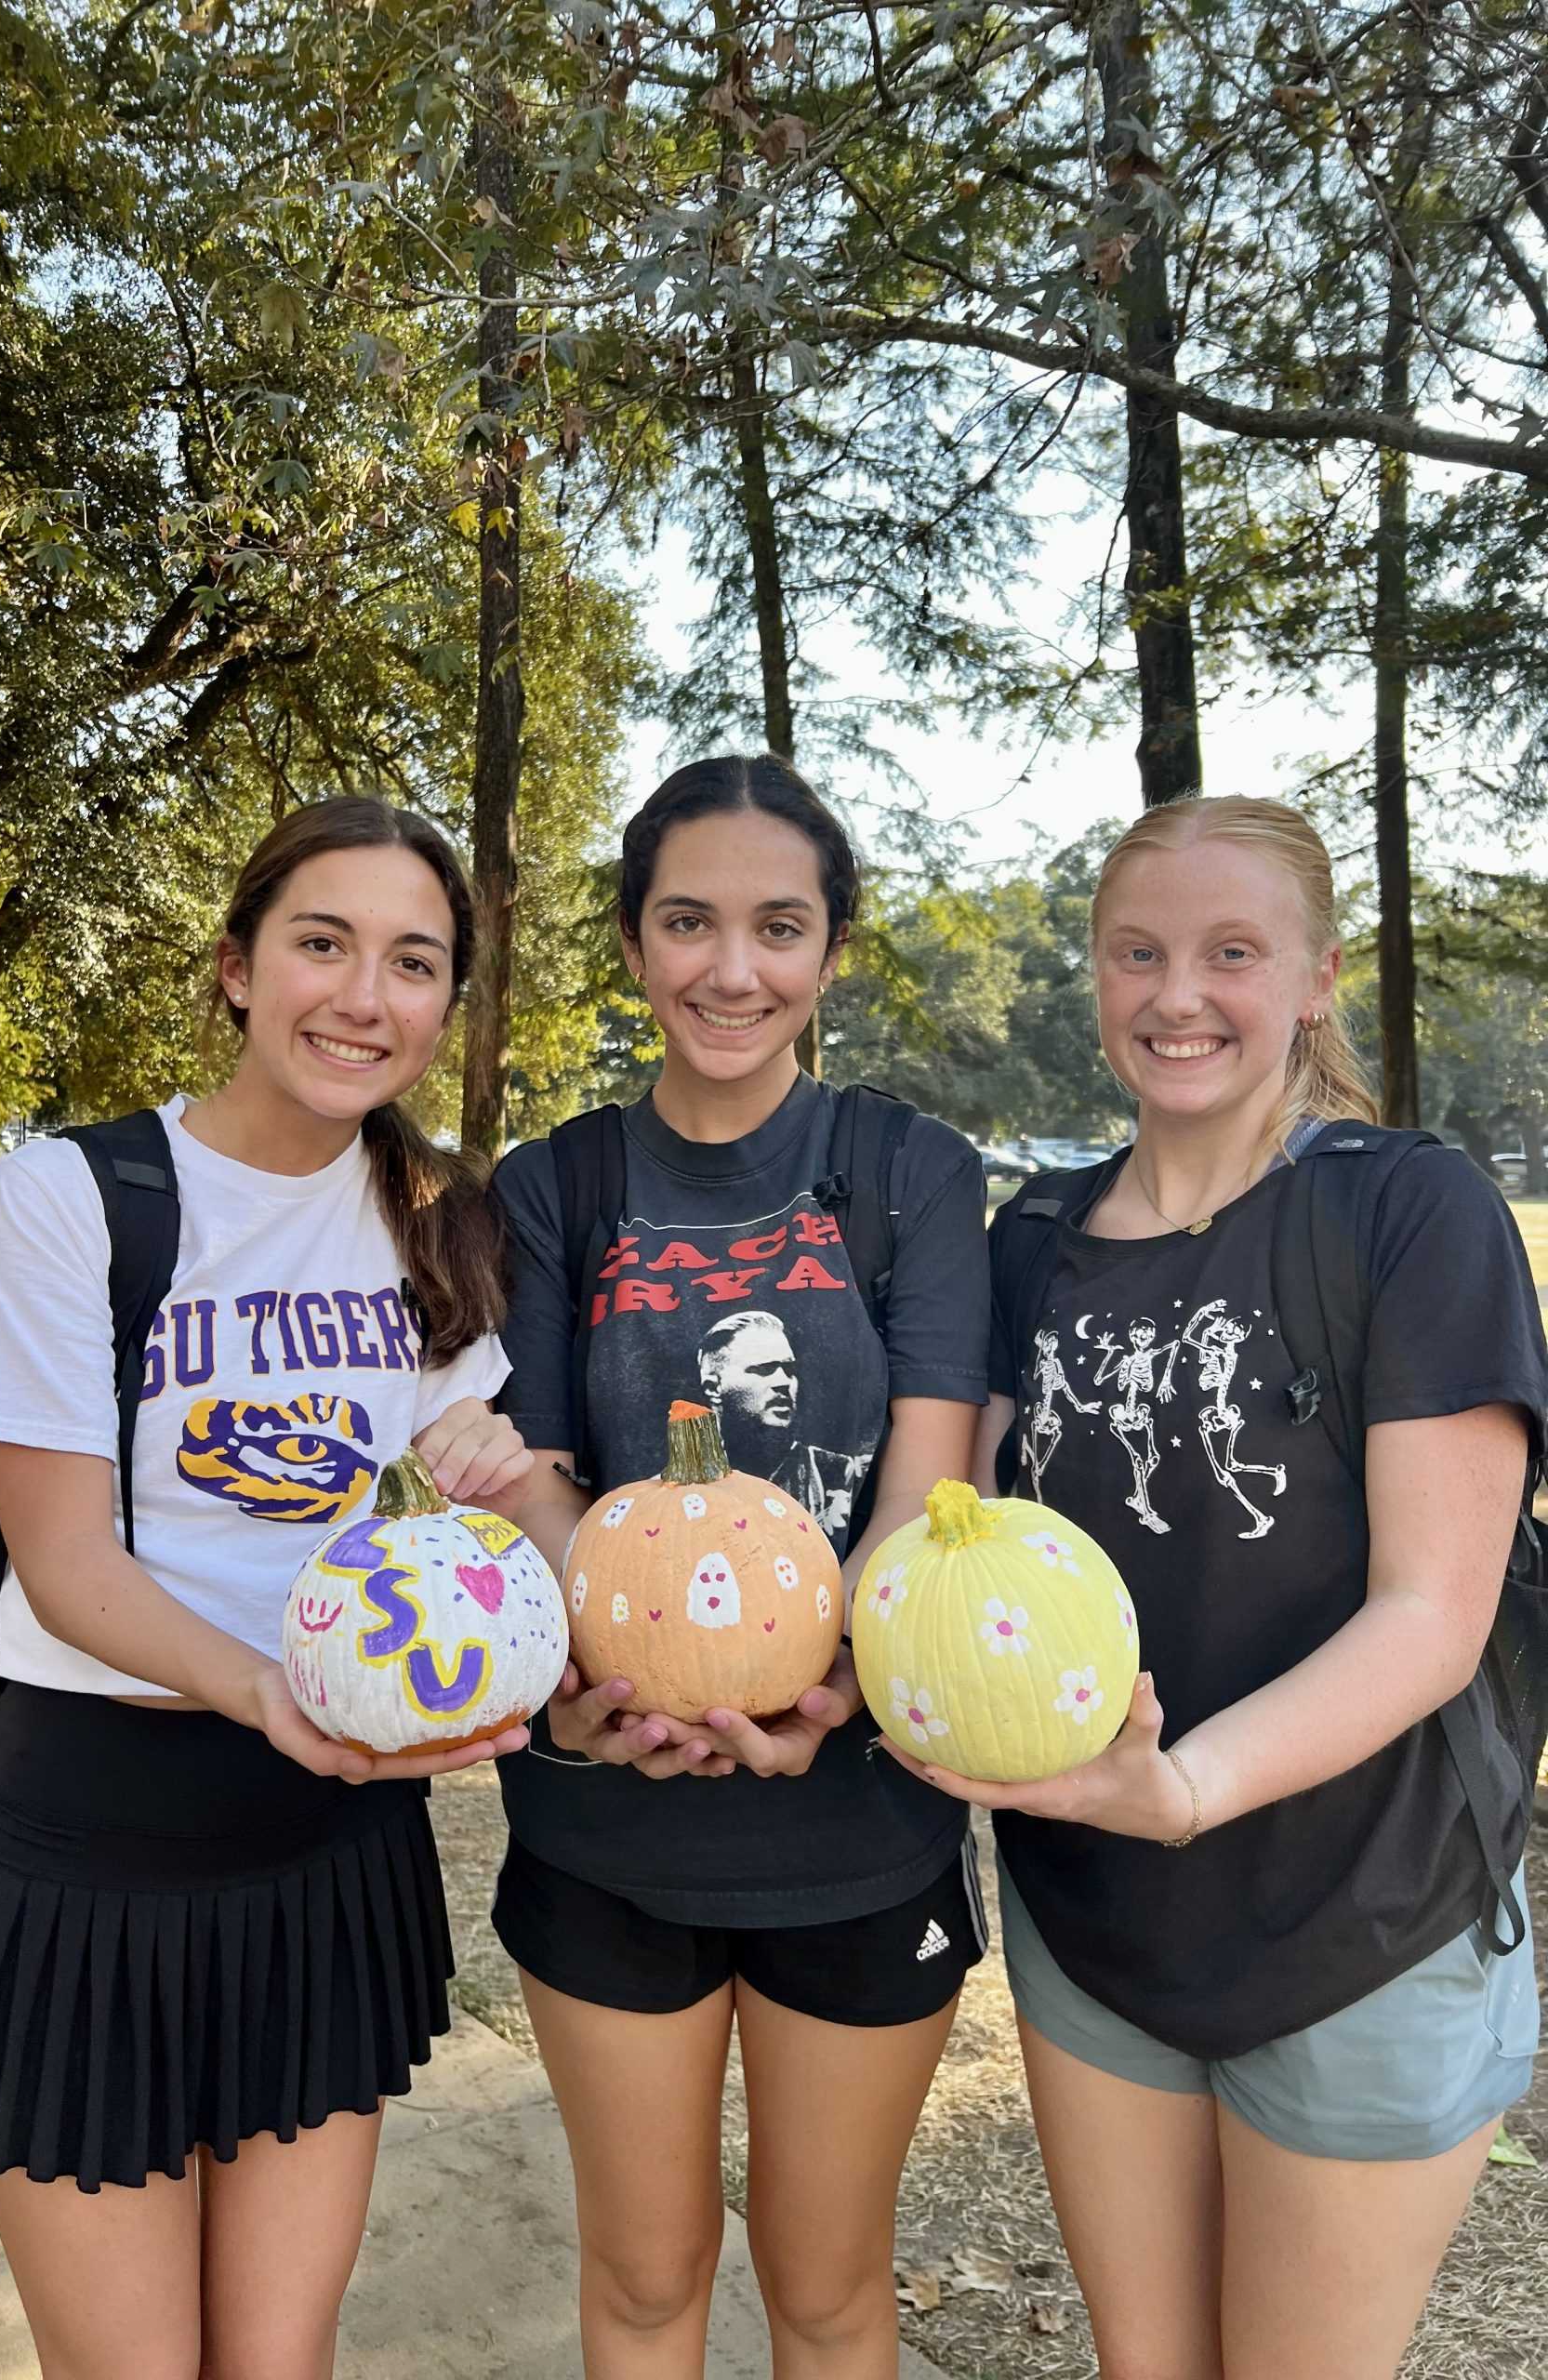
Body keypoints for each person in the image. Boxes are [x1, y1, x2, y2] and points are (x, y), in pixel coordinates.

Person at [0, 797, 533, 2380]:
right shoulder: (73, 1198)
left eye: (414, 961)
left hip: (329, 1859)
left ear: (447, 1005)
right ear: (237, 966)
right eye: (323, 943)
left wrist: (506, 1495)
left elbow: (457, 1537)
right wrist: (267, 1697)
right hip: (85, 1864)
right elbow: (73, 1571)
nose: (364, 995)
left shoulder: (433, 1223)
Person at [901, 796, 1545, 2380]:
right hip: (1097, 1926)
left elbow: (1431, 1617)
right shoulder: (1032, 1236)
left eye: (1231, 953)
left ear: (1315, 979)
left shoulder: (1407, 1212)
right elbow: (940, 1536)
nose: (1176, 994)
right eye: (1139, 953)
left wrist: (1181, 1785)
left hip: (1363, 1922)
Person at [489, 753, 992, 2377]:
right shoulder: (555, 1187)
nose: (733, 968)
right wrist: (635, 1685)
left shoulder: (908, 1173)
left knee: (832, 2295)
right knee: (644, 2285)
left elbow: (924, 1490)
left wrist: (836, 1686)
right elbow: (547, 1495)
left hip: (861, 1831)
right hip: (607, 1819)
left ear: (830, 951)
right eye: (689, 922)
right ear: (635, 942)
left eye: (779, 928)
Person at [695, 1306, 864, 1536]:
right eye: (764, 1369)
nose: (783, 1382)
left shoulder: (833, 1473)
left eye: (789, 1369)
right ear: (714, 1388)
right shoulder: (682, 1484)